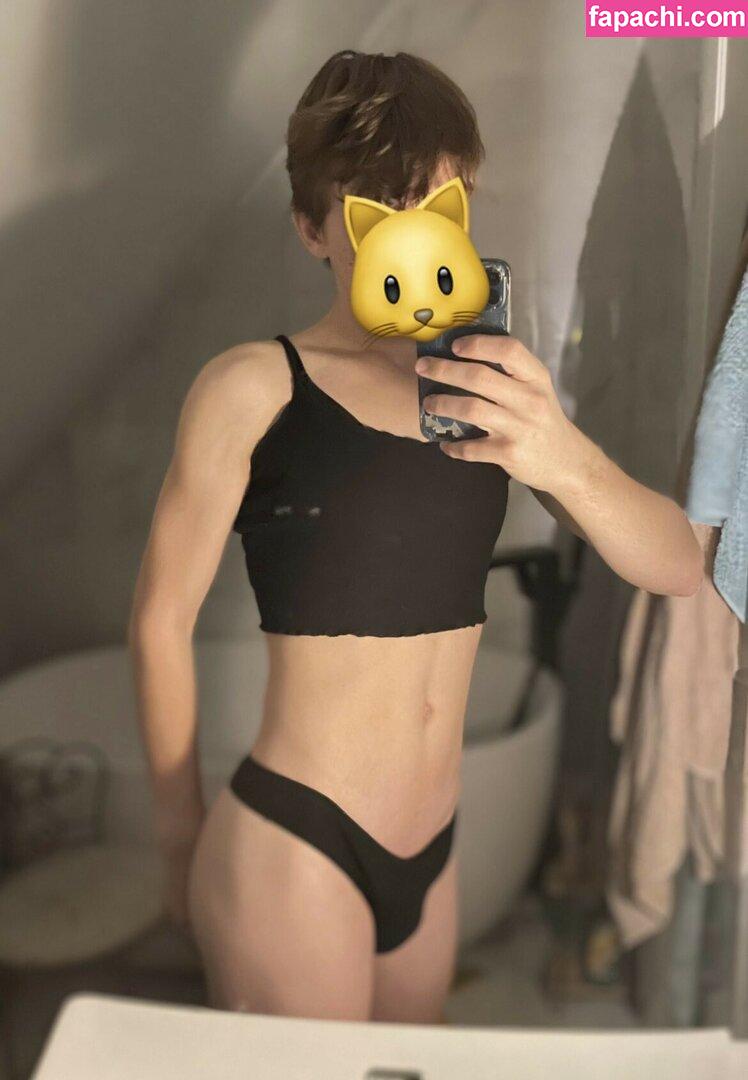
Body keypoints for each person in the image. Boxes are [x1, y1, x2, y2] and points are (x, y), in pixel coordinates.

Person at [127, 50, 703, 1024]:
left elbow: (678, 566)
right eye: (375, 216)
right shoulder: (252, 386)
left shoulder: (491, 390)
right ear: (315, 228)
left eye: (437, 207)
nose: (411, 241)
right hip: (297, 845)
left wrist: (557, 449)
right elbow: (157, 623)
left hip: (431, 849)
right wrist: (181, 844)